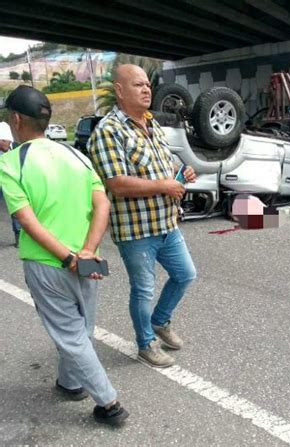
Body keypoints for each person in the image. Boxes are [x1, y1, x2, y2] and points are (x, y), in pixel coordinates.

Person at [0, 85, 129, 425]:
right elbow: (102, 203)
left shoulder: (11, 163)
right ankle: (70, 383)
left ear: (15, 119)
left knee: (71, 334)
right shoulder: (77, 155)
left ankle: (109, 403)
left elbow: (27, 222)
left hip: (48, 264)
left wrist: (67, 256)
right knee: (80, 328)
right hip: (88, 261)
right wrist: (86, 250)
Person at [88, 64, 197, 368]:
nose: (147, 89)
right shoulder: (108, 131)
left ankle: (160, 321)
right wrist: (164, 185)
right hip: (136, 231)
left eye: (147, 84)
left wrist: (181, 175)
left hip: (167, 224)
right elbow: (116, 184)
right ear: (120, 91)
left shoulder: (151, 123)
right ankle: (145, 343)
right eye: (138, 85)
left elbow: (164, 166)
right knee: (143, 289)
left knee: (185, 274)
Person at [0, 121, 22, 246]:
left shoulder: (18, 148)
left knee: (16, 209)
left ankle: (18, 235)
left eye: (3, 140)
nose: (1, 143)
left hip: (12, 182)